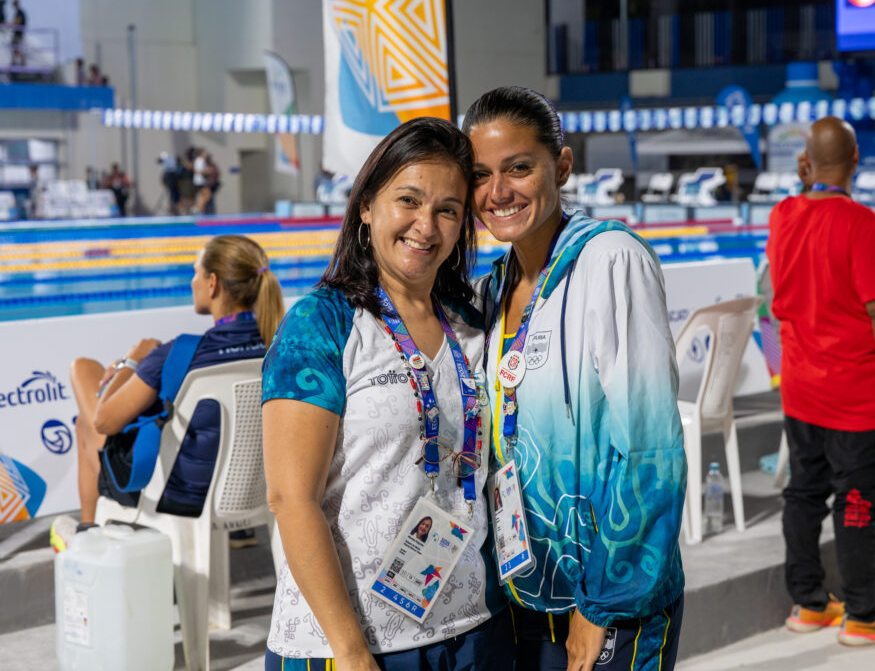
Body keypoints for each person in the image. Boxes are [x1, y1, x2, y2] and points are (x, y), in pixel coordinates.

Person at [261, 117, 512, 670]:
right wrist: (350, 652)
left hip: (471, 624)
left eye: (447, 209)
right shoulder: (321, 324)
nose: (427, 225)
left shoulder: (471, 323)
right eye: (409, 200)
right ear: (367, 206)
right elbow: (291, 499)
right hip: (351, 645)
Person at [462, 86, 686, 671]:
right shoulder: (493, 290)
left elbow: (649, 449)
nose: (497, 192)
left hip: (610, 592)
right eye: (481, 174)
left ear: (561, 165)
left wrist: (602, 605)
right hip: (527, 588)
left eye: (518, 168)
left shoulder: (610, 261)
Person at [767, 116, 875, 646]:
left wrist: (806, 179)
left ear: (806, 164)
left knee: (804, 494)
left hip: (801, 388)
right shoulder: (862, 224)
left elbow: (804, 196)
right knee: (856, 500)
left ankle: (808, 603)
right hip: (857, 394)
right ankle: (862, 614)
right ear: (857, 161)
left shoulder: (783, 214)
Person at [50, 235, 284, 551]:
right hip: (255, 489)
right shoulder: (280, 345)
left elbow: (103, 421)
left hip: (178, 494)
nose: (192, 282)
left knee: (82, 377)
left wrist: (131, 361)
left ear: (212, 283)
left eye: (195, 272)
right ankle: (86, 530)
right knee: (85, 419)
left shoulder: (181, 353)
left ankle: (86, 534)